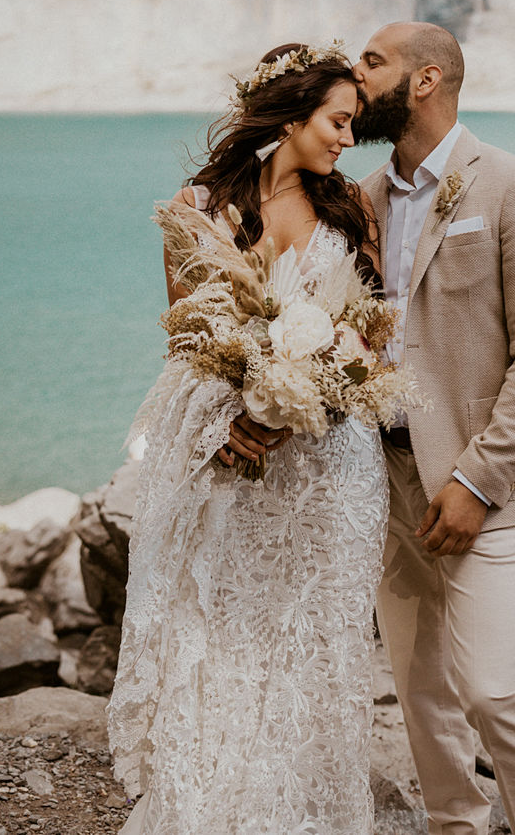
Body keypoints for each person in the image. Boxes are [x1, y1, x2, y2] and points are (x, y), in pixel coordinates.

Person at [108, 43, 389, 834]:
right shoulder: (200, 207)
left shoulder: (349, 208)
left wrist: (319, 388)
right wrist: (243, 416)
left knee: (314, 641)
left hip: (331, 463)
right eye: (337, 121)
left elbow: (370, 331)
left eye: (354, 127)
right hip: (230, 451)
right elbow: (189, 341)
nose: (345, 140)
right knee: (226, 628)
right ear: (292, 115)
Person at [354, 22, 515, 835]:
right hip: (387, 485)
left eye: (372, 62)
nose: (356, 75)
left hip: (482, 490)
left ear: (425, 79)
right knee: (419, 689)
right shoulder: (365, 202)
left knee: (492, 688)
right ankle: (455, 826)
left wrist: (477, 482)